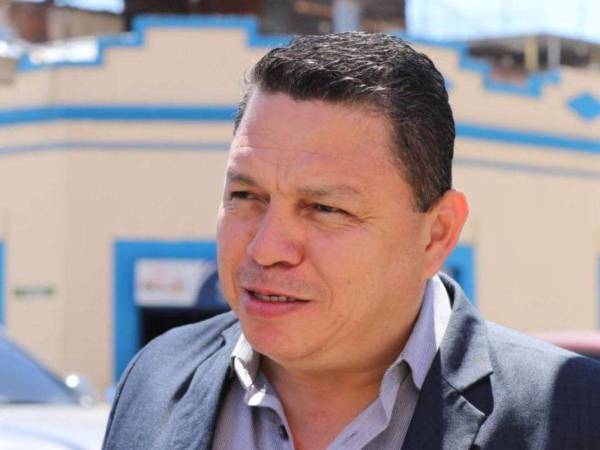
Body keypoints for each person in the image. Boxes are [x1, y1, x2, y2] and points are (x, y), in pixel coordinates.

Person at [103, 32, 600, 450]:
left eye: (325, 209)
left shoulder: (576, 417)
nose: (266, 248)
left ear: (436, 235)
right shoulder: (157, 377)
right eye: (246, 196)